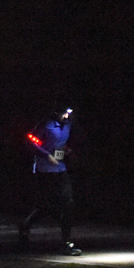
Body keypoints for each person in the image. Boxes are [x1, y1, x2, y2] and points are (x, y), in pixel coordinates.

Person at [18, 105, 82, 255]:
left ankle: (67, 242)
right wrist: (46, 155)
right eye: (64, 113)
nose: (66, 116)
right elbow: (31, 140)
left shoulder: (68, 124)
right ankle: (25, 226)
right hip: (44, 170)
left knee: (68, 204)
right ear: (56, 112)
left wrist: (67, 151)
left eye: (69, 113)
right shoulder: (46, 124)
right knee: (46, 206)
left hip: (60, 169)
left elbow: (59, 143)